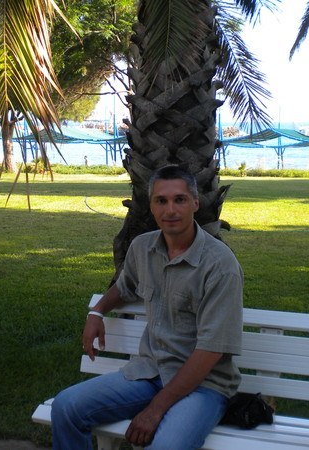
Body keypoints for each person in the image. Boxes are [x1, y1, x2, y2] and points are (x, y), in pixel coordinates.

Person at [51, 165, 243, 450]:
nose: (170, 210)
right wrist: (97, 311)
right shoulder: (143, 248)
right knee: (66, 407)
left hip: (204, 386)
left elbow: (211, 351)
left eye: (179, 199)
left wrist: (155, 410)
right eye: (161, 201)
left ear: (195, 203)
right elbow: (125, 286)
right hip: (149, 373)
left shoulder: (220, 265)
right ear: (151, 206)